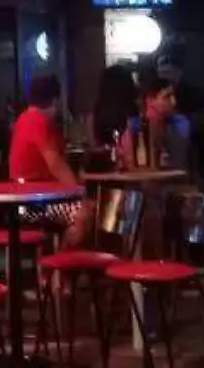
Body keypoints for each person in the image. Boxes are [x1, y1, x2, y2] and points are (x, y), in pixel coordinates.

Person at [127, 76, 204, 337]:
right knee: (147, 235)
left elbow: (187, 169)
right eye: (167, 97)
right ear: (150, 100)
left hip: (183, 198)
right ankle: (150, 316)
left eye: (173, 96)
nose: (173, 102)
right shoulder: (134, 129)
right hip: (149, 202)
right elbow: (133, 168)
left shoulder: (181, 125)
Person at [9, 75, 94, 249]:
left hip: (22, 200)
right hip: (33, 204)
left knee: (84, 209)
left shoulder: (23, 119)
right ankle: (60, 262)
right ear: (55, 100)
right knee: (84, 213)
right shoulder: (38, 121)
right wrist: (79, 192)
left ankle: (57, 258)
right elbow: (55, 163)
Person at [89, 65, 139, 153]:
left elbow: (93, 148)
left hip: (103, 159)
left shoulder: (94, 115)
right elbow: (132, 151)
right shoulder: (131, 115)